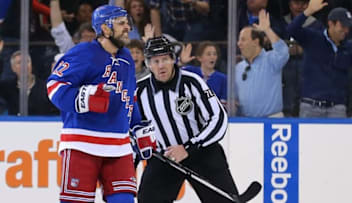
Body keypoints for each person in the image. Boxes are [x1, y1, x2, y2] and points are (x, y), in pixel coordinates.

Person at [46, 5, 155, 203]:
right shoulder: (83, 52)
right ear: (105, 28)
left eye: (127, 23)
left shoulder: (127, 58)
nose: (127, 28)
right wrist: (84, 98)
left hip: (119, 147)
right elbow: (54, 86)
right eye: (121, 23)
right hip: (82, 145)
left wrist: (138, 127)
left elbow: (129, 98)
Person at [136, 36, 239, 203]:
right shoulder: (139, 91)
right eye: (155, 61)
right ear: (148, 64)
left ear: (173, 59)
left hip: (202, 153)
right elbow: (131, 129)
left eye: (164, 59)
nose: (161, 65)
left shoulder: (193, 82)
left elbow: (218, 117)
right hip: (165, 158)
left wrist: (190, 147)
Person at [287, 0, 352, 118]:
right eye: (343, 26)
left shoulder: (350, 49)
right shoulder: (313, 38)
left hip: (337, 108)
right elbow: (291, 29)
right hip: (310, 106)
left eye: (348, 27)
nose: (346, 31)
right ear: (331, 23)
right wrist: (308, 11)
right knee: (307, 137)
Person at [235, 9, 289, 117]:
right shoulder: (238, 68)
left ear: (255, 42)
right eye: (239, 40)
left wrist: (267, 30)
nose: (239, 44)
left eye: (243, 40)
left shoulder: (271, 60)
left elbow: (283, 51)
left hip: (271, 121)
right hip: (247, 122)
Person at [282, 0, 324, 116]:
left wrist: (303, 50)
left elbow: (320, 47)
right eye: (296, 3)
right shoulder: (282, 22)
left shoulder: (317, 24)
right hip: (286, 63)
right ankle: (288, 111)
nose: (300, 7)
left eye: (304, 3)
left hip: (308, 64)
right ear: (290, 4)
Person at [0, 51, 58, 115]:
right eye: (19, 62)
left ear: (31, 64)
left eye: (27, 61)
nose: (24, 65)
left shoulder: (44, 87)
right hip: (15, 124)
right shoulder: (8, 88)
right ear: (13, 68)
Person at [182, 41, 227, 107]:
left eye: (214, 54)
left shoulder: (223, 78)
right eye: (209, 54)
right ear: (199, 58)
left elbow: (224, 102)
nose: (212, 57)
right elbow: (172, 73)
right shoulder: (190, 71)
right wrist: (181, 62)